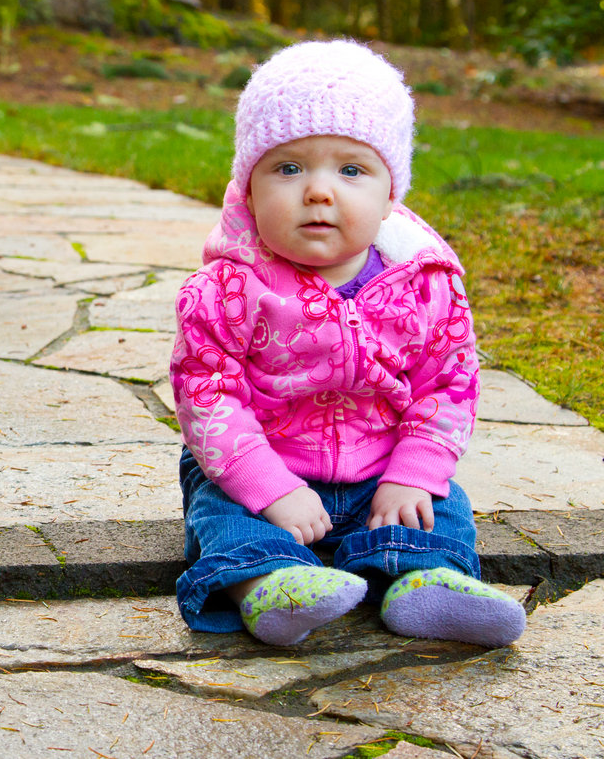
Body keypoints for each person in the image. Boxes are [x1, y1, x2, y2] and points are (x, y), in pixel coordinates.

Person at [169, 40, 525, 648]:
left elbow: (448, 384)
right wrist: (270, 488)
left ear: (391, 194)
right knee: (225, 520)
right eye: (288, 168)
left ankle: (425, 582)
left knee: (443, 511)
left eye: (351, 170)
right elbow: (207, 395)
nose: (318, 191)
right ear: (247, 188)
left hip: (382, 472)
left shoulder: (425, 284)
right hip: (262, 466)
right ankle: (269, 586)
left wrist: (414, 473)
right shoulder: (227, 287)